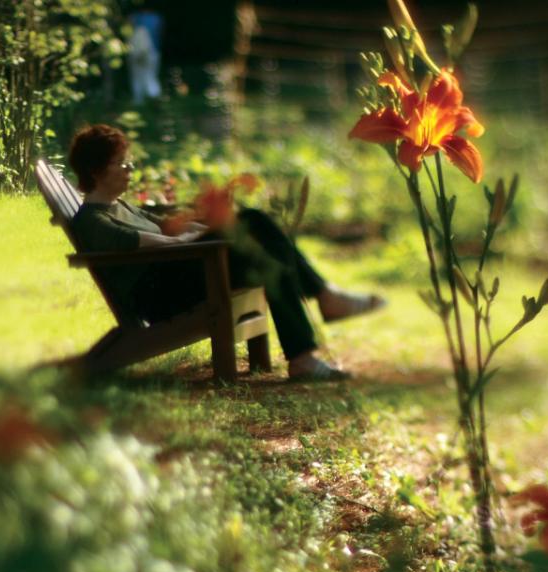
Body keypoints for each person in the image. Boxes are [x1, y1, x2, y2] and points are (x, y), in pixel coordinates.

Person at [66, 124, 384, 381]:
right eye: (121, 163)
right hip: (162, 294)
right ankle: (323, 301)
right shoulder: (95, 220)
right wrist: (208, 236)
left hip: (181, 273)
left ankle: (304, 353)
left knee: (263, 249)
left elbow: (171, 230)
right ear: (96, 171)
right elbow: (162, 244)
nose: (130, 168)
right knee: (251, 223)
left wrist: (208, 225)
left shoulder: (120, 206)